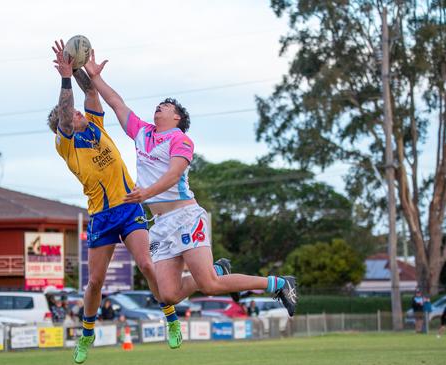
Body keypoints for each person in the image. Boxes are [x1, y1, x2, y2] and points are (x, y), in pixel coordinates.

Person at [83, 49, 298, 321]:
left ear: (177, 119)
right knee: (167, 295)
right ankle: (219, 269)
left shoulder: (180, 139)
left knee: (209, 284)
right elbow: (116, 103)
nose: (160, 106)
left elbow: (174, 175)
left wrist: (145, 193)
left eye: (167, 106)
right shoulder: (142, 132)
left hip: (186, 217)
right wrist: (96, 77)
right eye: (160, 104)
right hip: (161, 224)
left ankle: (278, 284)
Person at [47, 39, 190, 363]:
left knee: (147, 264)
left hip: (129, 207)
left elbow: (92, 94)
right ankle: (87, 334)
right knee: (95, 281)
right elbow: (67, 114)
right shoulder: (65, 143)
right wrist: (65, 77)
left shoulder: (96, 125)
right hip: (101, 216)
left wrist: (81, 68)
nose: (81, 113)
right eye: (74, 114)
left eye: (82, 112)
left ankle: (170, 317)